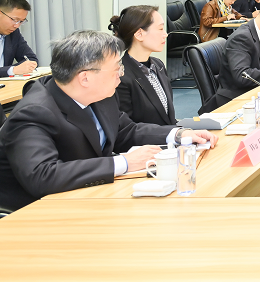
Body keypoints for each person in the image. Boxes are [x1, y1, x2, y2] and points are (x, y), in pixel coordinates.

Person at [0, 30, 218, 211]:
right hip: (38, 211)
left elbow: (125, 131)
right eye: (116, 69)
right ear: (85, 78)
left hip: (88, 194)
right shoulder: (34, 113)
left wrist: (178, 134)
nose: (121, 75)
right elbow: (42, 176)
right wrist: (124, 162)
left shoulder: (100, 95)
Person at [109, 6, 176, 126]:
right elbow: (127, 128)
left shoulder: (158, 65)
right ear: (139, 34)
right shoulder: (122, 76)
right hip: (148, 138)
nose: (165, 34)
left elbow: (167, 117)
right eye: (160, 29)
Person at [0, 0, 38, 77]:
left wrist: (25, 67)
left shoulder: (13, 33)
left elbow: (31, 59)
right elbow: (13, 70)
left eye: (21, 21)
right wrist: (12, 70)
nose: (17, 26)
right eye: (15, 20)